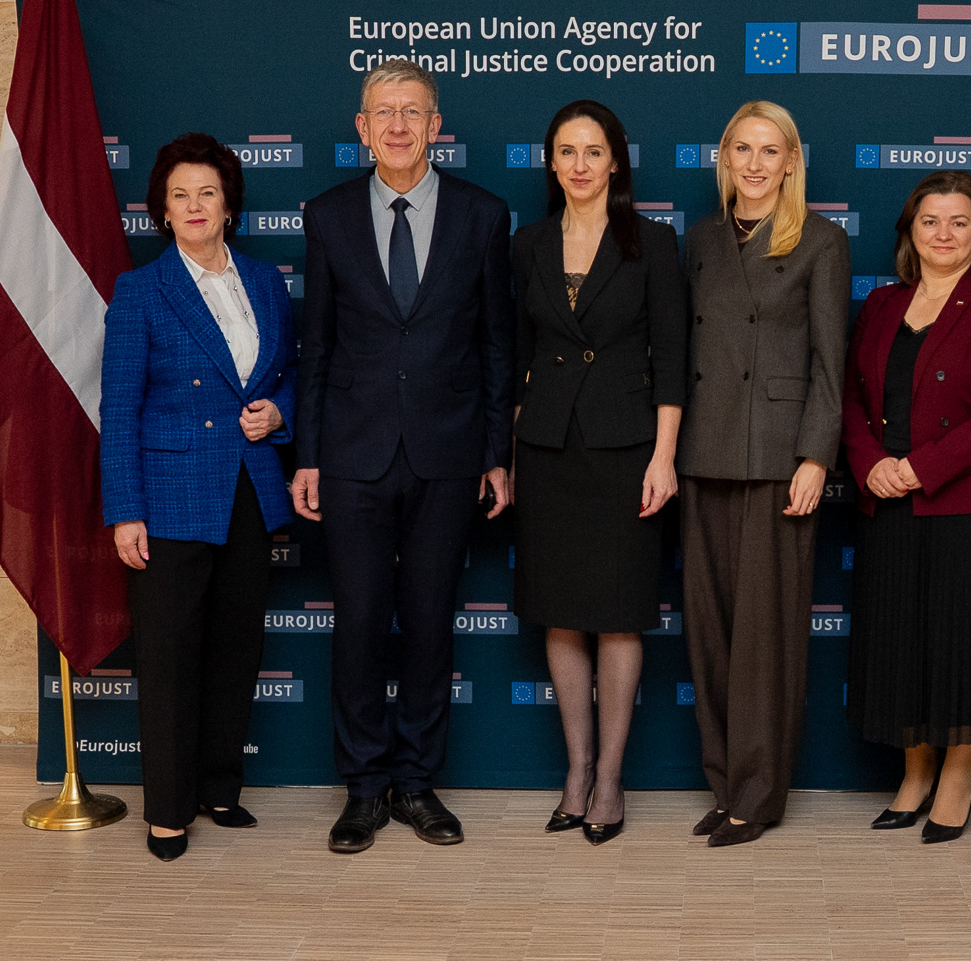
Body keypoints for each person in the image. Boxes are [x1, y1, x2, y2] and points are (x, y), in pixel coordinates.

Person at [292, 60, 515, 854]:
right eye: (381, 112)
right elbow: (314, 345)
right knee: (355, 625)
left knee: (428, 626)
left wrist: (495, 454)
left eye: (411, 112)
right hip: (351, 456)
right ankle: (361, 791)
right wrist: (308, 454)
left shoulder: (484, 216)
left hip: (447, 455)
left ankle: (417, 785)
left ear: (434, 126)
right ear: (361, 127)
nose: (396, 126)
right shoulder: (327, 215)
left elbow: (497, 348)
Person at [100, 132, 297, 862]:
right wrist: (125, 508)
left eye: (206, 193)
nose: (193, 205)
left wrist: (281, 414)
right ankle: (169, 809)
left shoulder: (266, 282)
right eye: (179, 195)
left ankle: (219, 786)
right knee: (171, 656)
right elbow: (117, 406)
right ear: (161, 208)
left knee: (235, 649)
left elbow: (290, 376)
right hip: (170, 494)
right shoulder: (142, 291)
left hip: (250, 490)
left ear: (228, 204)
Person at [512, 99, 687, 846]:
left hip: (626, 451)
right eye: (566, 152)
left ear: (616, 161)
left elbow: (676, 360)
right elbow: (511, 355)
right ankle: (575, 772)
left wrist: (664, 456)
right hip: (550, 452)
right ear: (550, 164)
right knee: (560, 613)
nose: (579, 165)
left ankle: (611, 778)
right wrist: (512, 448)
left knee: (618, 614)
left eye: (594, 151)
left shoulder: (651, 242)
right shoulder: (526, 244)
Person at [840, 170, 971, 844]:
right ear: (909, 232)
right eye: (930, 222)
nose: (943, 234)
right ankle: (914, 773)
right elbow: (851, 402)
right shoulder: (882, 305)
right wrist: (872, 467)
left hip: (968, 507)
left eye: (959, 222)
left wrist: (922, 468)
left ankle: (956, 775)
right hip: (887, 504)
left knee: (962, 647)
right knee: (902, 646)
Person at [678, 101, 850, 847]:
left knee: (764, 641)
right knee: (711, 635)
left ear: (790, 163)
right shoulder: (703, 240)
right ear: (725, 158)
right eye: (741, 149)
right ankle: (725, 784)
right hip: (704, 453)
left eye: (769, 150)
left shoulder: (821, 241)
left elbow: (829, 364)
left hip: (779, 458)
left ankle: (759, 794)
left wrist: (815, 456)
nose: (753, 163)